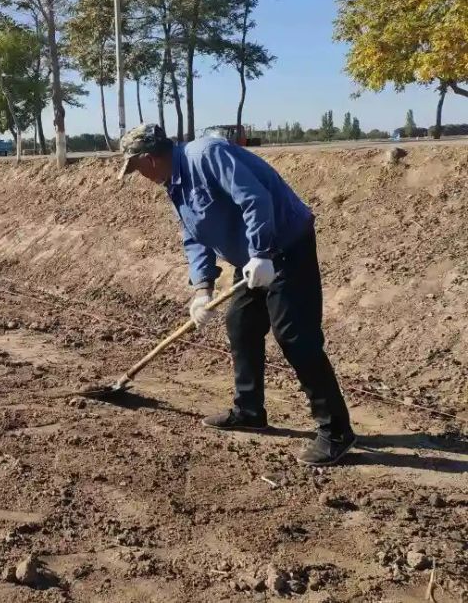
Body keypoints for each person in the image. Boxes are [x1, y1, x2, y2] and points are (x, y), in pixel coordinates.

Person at [116, 124, 355, 467]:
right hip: (252, 262)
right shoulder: (175, 184)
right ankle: (249, 409)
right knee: (240, 324)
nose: (139, 176)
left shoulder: (206, 155)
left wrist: (262, 253)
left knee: (294, 336)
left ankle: (337, 432)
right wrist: (202, 290)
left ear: (150, 159)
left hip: (285, 248)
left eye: (136, 168)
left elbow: (254, 198)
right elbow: (194, 236)